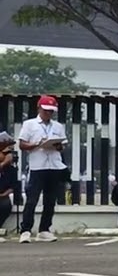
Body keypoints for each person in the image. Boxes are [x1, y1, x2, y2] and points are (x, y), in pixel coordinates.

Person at [17, 95, 69, 243]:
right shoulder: (30, 124)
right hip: (37, 166)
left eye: (51, 111)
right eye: (46, 111)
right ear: (39, 108)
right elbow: (22, 145)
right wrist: (36, 144)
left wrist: (58, 145)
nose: (49, 114)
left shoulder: (58, 126)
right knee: (32, 199)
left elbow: (63, 145)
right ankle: (26, 230)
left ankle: (44, 229)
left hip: (54, 166)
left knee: (50, 200)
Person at [0, 131, 17, 238]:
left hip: (2, 195)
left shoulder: (11, 170)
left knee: (5, 204)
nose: (9, 156)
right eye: (5, 153)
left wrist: (4, 194)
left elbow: (13, 186)